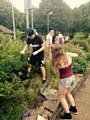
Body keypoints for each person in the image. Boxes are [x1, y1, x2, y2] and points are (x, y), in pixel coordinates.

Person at [52, 45, 79, 119]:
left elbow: (55, 72)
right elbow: (76, 55)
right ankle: (74, 109)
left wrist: (54, 65)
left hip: (64, 80)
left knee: (62, 98)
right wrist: (68, 54)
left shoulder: (57, 61)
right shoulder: (67, 55)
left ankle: (68, 115)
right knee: (68, 93)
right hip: (72, 78)